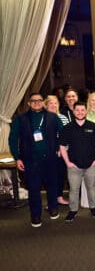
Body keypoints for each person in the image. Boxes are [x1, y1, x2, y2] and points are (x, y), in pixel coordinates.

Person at [9, 93, 63, 227]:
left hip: (50, 158)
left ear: (43, 102)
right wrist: (17, 158)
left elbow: (63, 133)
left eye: (39, 100)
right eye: (33, 101)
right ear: (29, 103)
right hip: (30, 160)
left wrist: (58, 148)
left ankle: (53, 208)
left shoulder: (52, 117)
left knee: (52, 186)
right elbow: (13, 139)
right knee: (33, 189)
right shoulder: (20, 119)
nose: (37, 103)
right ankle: (36, 215)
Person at [59, 102, 95, 222]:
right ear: (74, 112)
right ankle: (73, 210)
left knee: (91, 188)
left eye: (82, 110)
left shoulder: (93, 126)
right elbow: (62, 147)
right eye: (77, 110)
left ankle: (93, 208)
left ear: (86, 111)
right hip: (74, 166)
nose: (80, 112)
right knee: (73, 190)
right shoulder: (67, 128)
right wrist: (68, 162)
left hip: (91, 165)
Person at [44, 95, 69, 205]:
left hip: (61, 152)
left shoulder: (63, 117)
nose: (53, 105)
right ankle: (51, 199)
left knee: (60, 175)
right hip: (46, 152)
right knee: (48, 176)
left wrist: (61, 148)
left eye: (55, 103)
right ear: (46, 105)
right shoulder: (42, 118)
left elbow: (67, 135)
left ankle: (59, 197)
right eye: (51, 103)